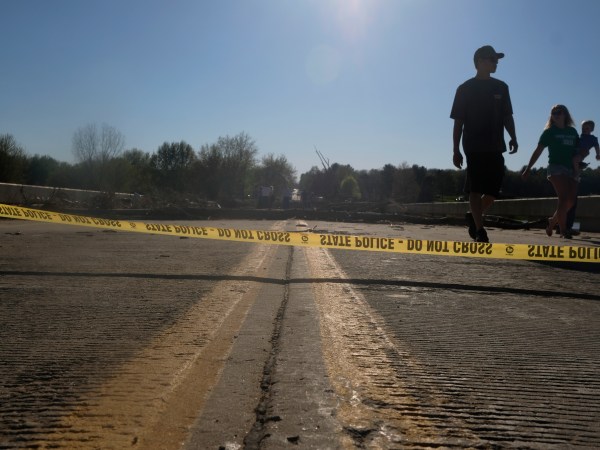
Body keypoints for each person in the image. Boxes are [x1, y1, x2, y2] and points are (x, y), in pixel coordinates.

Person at [451, 45, 518, 243]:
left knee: (493, 191)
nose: (496, 63)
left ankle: (473, 216)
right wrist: (455, 150)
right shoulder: (464, 89)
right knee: (476, 188)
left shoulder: (501, 87)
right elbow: (458, 122)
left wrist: (513, 137)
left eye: (497, 60)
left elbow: (507, 116)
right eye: (492, 59)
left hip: (496, 145)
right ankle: (480, 230)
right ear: (479, 61)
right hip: (473, 145)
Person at [522, 105, 579, 238]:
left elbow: (578, 150)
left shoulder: (572, 131)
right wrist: (528, 168)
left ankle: (552, 222)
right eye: (553, 113)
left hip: (571, 169)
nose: (556, 115)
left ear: (565, 114)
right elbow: (538, 151)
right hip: (555, 168)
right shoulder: (549, 132)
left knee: (571, 201)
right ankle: (564, 230)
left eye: (559, 112)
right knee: (563, 198)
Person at [566, 120, 600, 233]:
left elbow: (596, 146)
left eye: (587, 128)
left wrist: (598, 154)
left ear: (592, 129)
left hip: (583, 152)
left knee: (575, 160)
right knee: (574, 161)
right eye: (583, 128)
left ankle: (576, 173)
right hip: (577, 152)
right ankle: (565, 225)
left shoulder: (593, 138)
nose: (584, 130)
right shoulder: (579, 136)